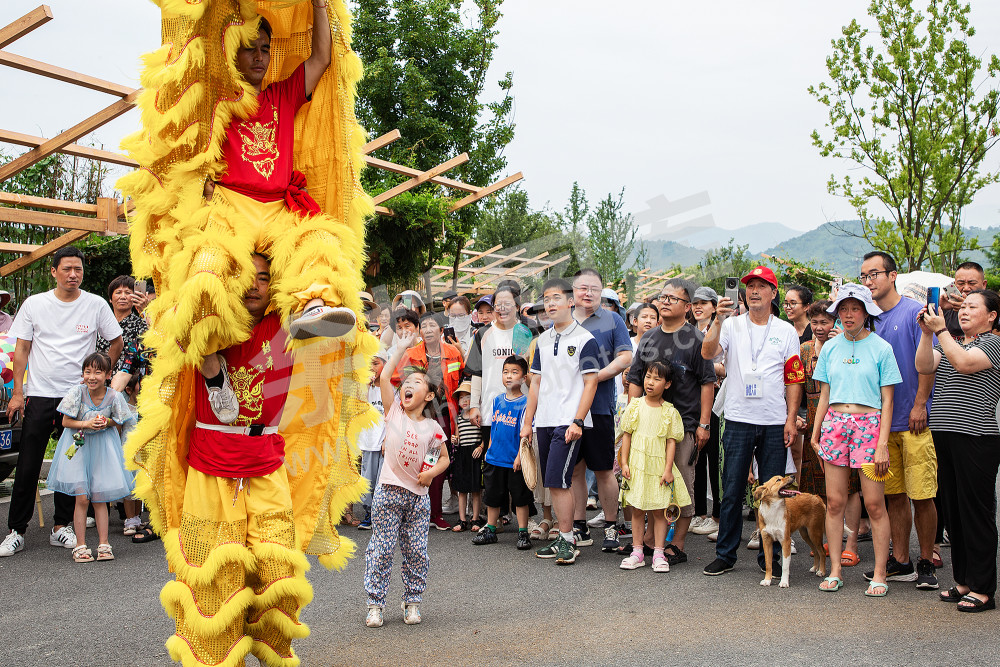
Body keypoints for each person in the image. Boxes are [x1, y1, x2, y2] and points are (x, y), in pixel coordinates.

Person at [1, 247, 123, 558]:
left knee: (72, 460)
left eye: (78, 269)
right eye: (67, 269)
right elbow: (22, 350)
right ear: (54, 271)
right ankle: (16, 531)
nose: (73, 274)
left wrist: (101, 375)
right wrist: (18, 393)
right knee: (28, 463)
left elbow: (116, 341)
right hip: (41, 395)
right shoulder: (35, 304)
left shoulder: (95, 304)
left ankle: (61, 526)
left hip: (79, 399)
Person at [700, 266, 804, 577]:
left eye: (761, 285)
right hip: (738, 419)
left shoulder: (786, 330)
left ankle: (769, 558)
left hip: (774, 421)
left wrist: (790, 418)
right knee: (732, 489)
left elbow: (793, 378)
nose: (754, 291)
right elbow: (707, 353)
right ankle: (725, 554)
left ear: (774, 293)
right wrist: (717, 320)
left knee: (773, 493)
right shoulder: (730, 325)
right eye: (750, 286)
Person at [810, 285, 901, 596]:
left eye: (855, 308)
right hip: (835, 425)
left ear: (866, 312)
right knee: (834, 502)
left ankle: (880, 573)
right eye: (843, 309)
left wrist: (882, 444)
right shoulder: (830, 348)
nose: (848, 315)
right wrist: (816, 432)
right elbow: (824, 394)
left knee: (874, 504)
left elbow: (887, 400)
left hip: (869, 426)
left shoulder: (881, 348)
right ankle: (835, 570)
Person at [858, 251, 938, 590]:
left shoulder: (913, 312)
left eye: (874, 274)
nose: (868, 281)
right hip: (879, 424)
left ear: (893, 276)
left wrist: (920, 404)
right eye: (864, 276)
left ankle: (927, 560)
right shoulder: (867, 319)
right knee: (894, 495)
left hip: (914, 419)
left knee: (922, 495)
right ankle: (901, 560)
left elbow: (928, 362)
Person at [916, 290, 1000, 612]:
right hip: (945, 435)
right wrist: (927, 334)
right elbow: (923, 365)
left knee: (975, 513)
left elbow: (964, 364)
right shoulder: (952, 342)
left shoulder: (993, 343)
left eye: (972, 307)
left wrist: (940, 331)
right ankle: (964, 580)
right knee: (954, 513)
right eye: (962, 306)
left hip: (977, 437)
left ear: (991, 315)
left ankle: (983, 589)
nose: (963, 311)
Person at [365, 330, 450, 628]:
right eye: (407, 382)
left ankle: (412, 601)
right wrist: (399, 349)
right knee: (382, 549)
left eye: (417, 383)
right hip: (388, 492)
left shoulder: (433, 428)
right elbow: (384, 377)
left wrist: (431, 473)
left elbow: (444, 458)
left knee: (416, 551)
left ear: (429, 396)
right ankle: (375, 604)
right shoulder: (394, 413)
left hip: (418, 498)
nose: (408, 386)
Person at [627, 279, 715, 566]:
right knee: (650, 482)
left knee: (681, 485)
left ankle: (677, 544)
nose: (664, 301)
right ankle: (649, 541)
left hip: (684, 426)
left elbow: (707, 382)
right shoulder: (649, 337)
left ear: (687, 307)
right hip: (647, 425)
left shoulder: (696, 339)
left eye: (672, 298)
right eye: (662, 296)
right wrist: (631, 416)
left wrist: (703, 424)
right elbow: (636, 378)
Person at [520, 278, 600, 565]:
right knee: (554, 481)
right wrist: (528, 422)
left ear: (570, 301)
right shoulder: (542, 340)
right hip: (544, 420)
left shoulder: (585, 339)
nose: (550, 304)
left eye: (556, 298)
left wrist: (577, 420)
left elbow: (591, 383)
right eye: (546, 299)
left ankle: (568, 539)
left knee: (557, 479)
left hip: (568, 421)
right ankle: (564, 537)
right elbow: (535, 383)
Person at [45, 352, 134, 563]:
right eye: (88, 372)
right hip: (79, 448)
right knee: (82, 498)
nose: (92, 377)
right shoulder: (77, 392)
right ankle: (80, 545)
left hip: (103, 449)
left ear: (108, 375)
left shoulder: (113, 396)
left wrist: (106, 422)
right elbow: (66, 421)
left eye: (98, 372)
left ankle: (104, 544)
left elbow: (120, 419)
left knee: (100, 497)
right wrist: (86, 423)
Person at [798, 300, 865, 566]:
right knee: (821, 486)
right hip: (814, 419)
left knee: (850, 487)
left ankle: (851, 544)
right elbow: (797, 386)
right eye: (814, 322)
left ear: (835, 322)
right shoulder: (804, 349)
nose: (819, 327)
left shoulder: (847, 347)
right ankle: (829, 540)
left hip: (842, 419)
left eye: (824, 322)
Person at [571, 269, 633, 552]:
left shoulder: (612, 320)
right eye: (582, 288)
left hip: (600, 407)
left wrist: (595, 377)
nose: (587, 293)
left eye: (593, 288)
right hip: (568, 408)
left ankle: (611, 525)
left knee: (604, 469)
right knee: (575, 470)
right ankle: (578, 525)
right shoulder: (563, 321)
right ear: (573, 291)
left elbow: (626, 356)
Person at [390, 313, 465, 530]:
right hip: (417, 415)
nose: (428, 329)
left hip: (443, 417)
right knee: (412, 459)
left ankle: (435, 513)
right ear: (420, 331)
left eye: (433, 325)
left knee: (435, 461)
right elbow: (396, 379)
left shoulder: (452, 353)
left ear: (441, 330)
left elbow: (462, 380)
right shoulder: (410, 353)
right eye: (424, 326)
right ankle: (410, 513)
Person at [618, 362, 691, 573]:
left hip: (659, 468)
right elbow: (626, 436)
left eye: (657, 379)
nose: (650, 382)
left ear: (667, 384)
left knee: (660, 511)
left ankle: (658, 553)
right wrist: (625, 463)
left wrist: (668, 469)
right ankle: (637, 552)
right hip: (638, 466)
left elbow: (671, 442)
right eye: (648, 377)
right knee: (637, 510)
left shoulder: (669, 411)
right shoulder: (635, 406)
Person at [96, 275, 149, 534]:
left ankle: (140, 514)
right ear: (110, 297)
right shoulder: (102, 323)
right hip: (117, 392)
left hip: (143, 394)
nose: (125, 296)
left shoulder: (144, 325)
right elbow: (127, 362)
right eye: (118, 292)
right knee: (115, 449)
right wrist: (105, 397)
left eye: (130, 291)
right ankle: (111, 508)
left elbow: (135, 363)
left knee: (137, 452)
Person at [472, 356, 533, 549]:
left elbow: (526, 435)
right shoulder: (497, 400)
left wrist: (519, 457)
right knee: (493, 496)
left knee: (520, 498)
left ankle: (523, 532)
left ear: (524, 378)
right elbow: (494, 427)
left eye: (514, 372)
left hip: (514, 460)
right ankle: (491, 529)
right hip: (495, 458)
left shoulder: (526, 403)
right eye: (506, 372)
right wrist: (489, 450)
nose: (509, 376)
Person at [690, 286, 722, 537]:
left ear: (714, 306)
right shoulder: (688, 332)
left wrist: (711, 368)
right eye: (695, 303)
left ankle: (717, 515)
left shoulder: (723, 328)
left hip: (719, 402)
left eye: (704, 303)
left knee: (716, 459)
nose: (698, 307)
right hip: (694, 400)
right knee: (696, 458)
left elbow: (728, 365)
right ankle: (699, 512)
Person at [357, 351, 388, 531]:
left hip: (383, 442)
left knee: (382, 481)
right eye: (369, 364)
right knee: (367, 480)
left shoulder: (390, 388)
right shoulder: (364, 387)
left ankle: (381, 514)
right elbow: (358, 409)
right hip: (368, 442)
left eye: (376, 364)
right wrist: (366, 386)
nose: (372, 368)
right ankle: (369, 513)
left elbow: (393, 415)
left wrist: (387, 439)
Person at [450, 381, 483, 532]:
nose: (464, 400)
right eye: (461, 397)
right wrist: (455, 440)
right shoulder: (458, 418)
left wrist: (481, 447)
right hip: (462, 453)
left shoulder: (477, 416)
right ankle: (462, 519)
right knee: (462, 489)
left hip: (475, 452)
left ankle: (475, 518)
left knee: (476, 489)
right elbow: (458, 436)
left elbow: (484, 434)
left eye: (468, 397)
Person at [941, 261, 987, 338]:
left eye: (972, 283)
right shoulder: (947, 307)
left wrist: (966, 309)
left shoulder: (993, 307)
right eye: (961, 283)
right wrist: (938, 306)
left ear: (984, 284)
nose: (966, 288)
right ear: (954, 284)